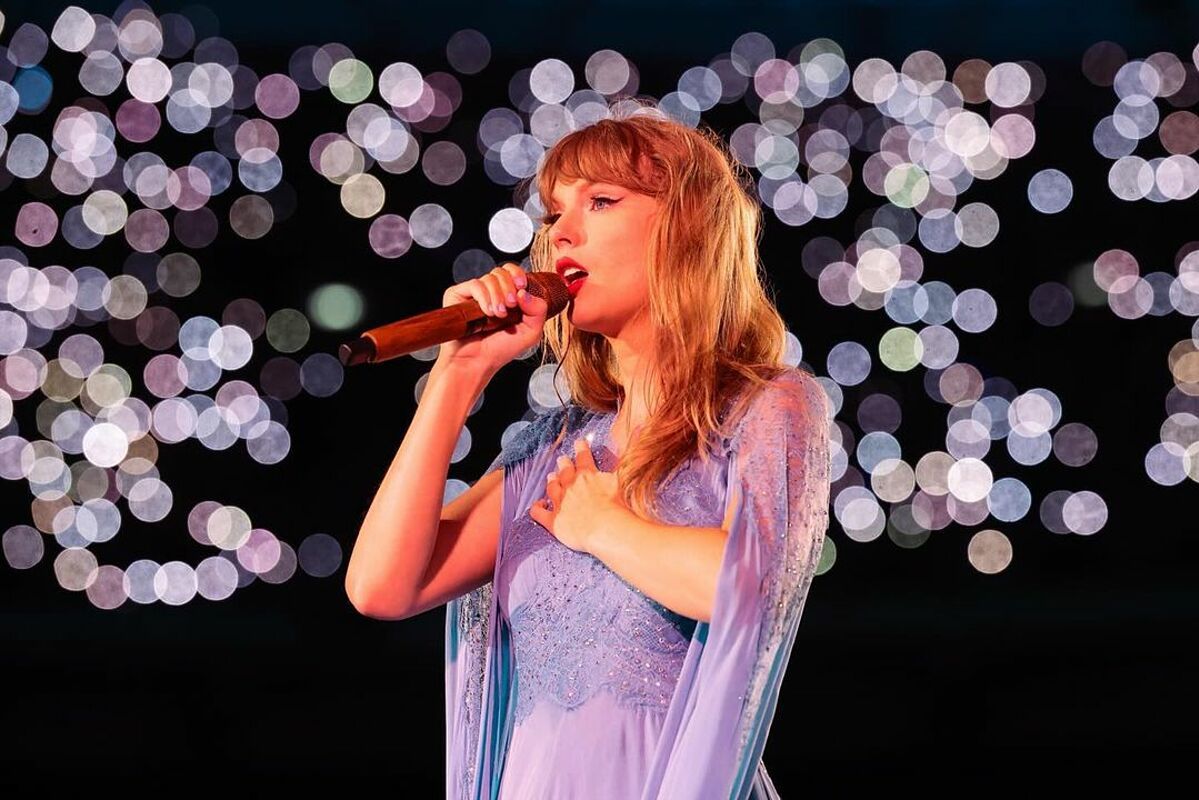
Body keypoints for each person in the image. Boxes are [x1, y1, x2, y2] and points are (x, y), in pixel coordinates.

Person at [345, 98, 831, 799]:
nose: (561, 233)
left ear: (688, 228)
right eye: (553, 214)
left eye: (600, 201)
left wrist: (604, 525)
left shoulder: (767, 406)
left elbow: (747, 588)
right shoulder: (553, 450)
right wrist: (458, 375)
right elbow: (382, 587)